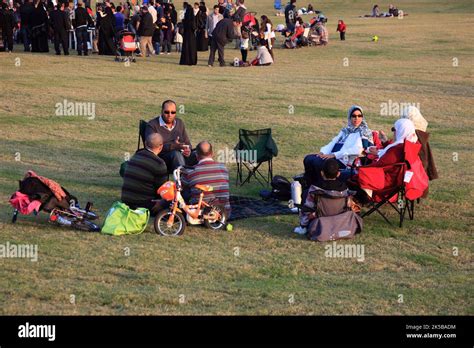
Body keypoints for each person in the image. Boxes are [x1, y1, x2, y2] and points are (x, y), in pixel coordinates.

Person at [304, 105, 374, 187]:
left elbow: (357, 150)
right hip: (332, 156)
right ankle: (309, 186)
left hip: (345, 161)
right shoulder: (345, 130)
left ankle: (321, 186)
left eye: (359, 116)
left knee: (318, 162)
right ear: (349, 117)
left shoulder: (363, 132)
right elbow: (333, 142)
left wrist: (334, 155)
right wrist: (322, 152)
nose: (356, 118)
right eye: (354, 116)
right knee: (308, 159)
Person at [294, 158, 351, 235]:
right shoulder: (345, 189)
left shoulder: (315, 188)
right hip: (339, 221)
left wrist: (303, 225)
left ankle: (303, 228)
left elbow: (307, 209)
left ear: (321, 173)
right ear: (338, 174)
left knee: (305, 195)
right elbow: (348, 207)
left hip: (319, 222)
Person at [121, 133, 168, 214]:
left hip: (126, 201)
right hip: (144, 204)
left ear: (145, 143)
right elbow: (162, 189)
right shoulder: (159, 163)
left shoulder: (136, 156)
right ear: (161, 146)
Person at [181, 141, 231, 216]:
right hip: (224, 213)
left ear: (196, 156)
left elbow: (179, 189)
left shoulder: (189, 171)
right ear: (212, 153)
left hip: (199, 214)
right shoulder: (224, 168)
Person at [145, 100, 196, 172]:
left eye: (173, 112)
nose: (170, 115)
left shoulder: (179, 123)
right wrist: (173, 146)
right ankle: (183, 180)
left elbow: (187, 143)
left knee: (200, 152)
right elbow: (151, 148)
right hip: (162, 159)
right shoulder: (152, 125)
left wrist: (187, 150)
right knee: (176, 154)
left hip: (182, 156)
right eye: (166, 112)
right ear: (162, 111)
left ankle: (202, 180)